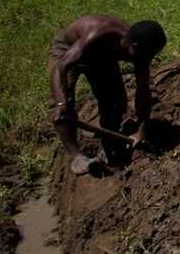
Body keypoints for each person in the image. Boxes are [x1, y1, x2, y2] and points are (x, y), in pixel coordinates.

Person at [48, 16, 166, 175]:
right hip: (68, 50)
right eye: (149, 55)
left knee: (115, 102)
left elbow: (143, 92)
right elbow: (62, 67)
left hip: (102, 57)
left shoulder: (141, 53)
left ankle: (108, 149)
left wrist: (141, 130)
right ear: (134, 47)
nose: (149, 60)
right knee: (63, 106)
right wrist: (61, 103)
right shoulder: (99, 35)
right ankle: (76, 155)